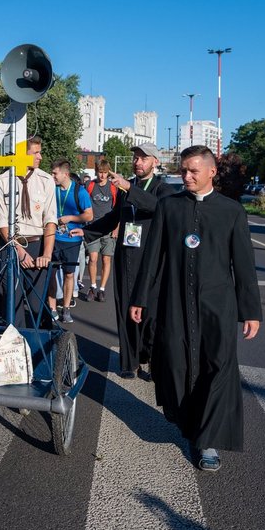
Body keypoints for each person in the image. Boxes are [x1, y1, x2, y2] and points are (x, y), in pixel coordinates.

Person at [129, 146, 261, 472]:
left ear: (211, 172)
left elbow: (244, 265)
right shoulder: (168, 207)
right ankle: (185, 419)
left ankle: (207, 440)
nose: (186, 177)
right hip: (174, 302)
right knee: (173, 362)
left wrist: (251, 311)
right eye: (183, 171)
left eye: (192, 172)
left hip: (217, 306)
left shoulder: (232, 212)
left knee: (217, 369)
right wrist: (140, 298)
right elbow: (152, 258)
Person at [85, 142, 177, 379]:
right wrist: (85, 232)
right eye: (136, 158)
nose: (138, 162)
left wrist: (129, 188)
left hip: (153, 261)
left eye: (143, 158)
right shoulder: (128, 190)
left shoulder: (162, 189)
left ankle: (149, 355)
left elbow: (158, 208)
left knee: (151, 315)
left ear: (155, 162)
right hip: (126, 259)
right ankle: (129, 361)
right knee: (126, 309)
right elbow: (114, 217)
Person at [0, 136, 58, 328]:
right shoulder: (3, 181)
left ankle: (39, 346)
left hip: (37, 245)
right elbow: (1, 222)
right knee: (11, 303)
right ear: (22, 155)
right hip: (11, 246)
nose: (40, 156)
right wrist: (19, 251)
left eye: (40, 151)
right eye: (35, 153)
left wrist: (46, 254)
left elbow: (50, 220)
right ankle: (16, 346)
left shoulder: (46, 180)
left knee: (37, 305)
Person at [47, 160, 92, 323]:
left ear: (65, 174)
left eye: (55, 173)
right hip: (53, 237)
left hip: (72, 239)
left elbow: (89, 215)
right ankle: (52, 308)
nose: (52, 176)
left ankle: (66, 308)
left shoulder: (80, 192)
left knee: (69, 274)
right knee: (51, 274)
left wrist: (70, 218)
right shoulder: (52, 189)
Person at [83, 160, 118, 302]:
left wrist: (117, 228)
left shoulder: (113, 187)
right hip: (92, 228)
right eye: (100, 172)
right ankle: (92, 286)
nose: (102, 175)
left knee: (106, 259)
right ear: (96, 171)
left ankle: (102, 289)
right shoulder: (90, 185)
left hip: (108, 229)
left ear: (108, 172)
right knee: (93, 258)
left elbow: (118, 209)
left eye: (105, 173)